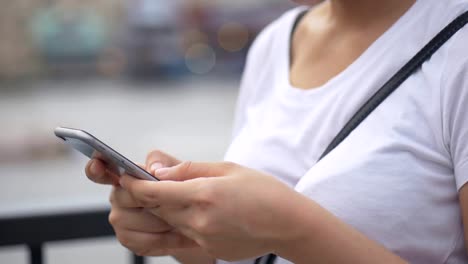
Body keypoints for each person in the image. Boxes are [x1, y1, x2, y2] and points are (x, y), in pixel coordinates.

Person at [85, 0, 468, 263]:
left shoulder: (459, 46)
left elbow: (285, 232)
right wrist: (186, 234)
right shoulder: (275, 42)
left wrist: (288, 227)